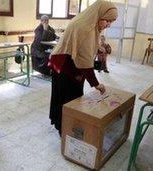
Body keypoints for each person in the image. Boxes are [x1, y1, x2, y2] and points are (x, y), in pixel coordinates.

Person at [48, 0, 118, 135]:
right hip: (65, 64)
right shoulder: (84, 27)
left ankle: (63, 124)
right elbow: (84, 60)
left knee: (72, 96)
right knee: (68, 99)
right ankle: (64, 129)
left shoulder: (90, 23)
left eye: (112, 22)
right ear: (100, 14)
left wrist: (98, 48)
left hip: (71, 63)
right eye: (107, 21)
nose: (108, 25)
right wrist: (96, 84)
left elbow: (86, 46)